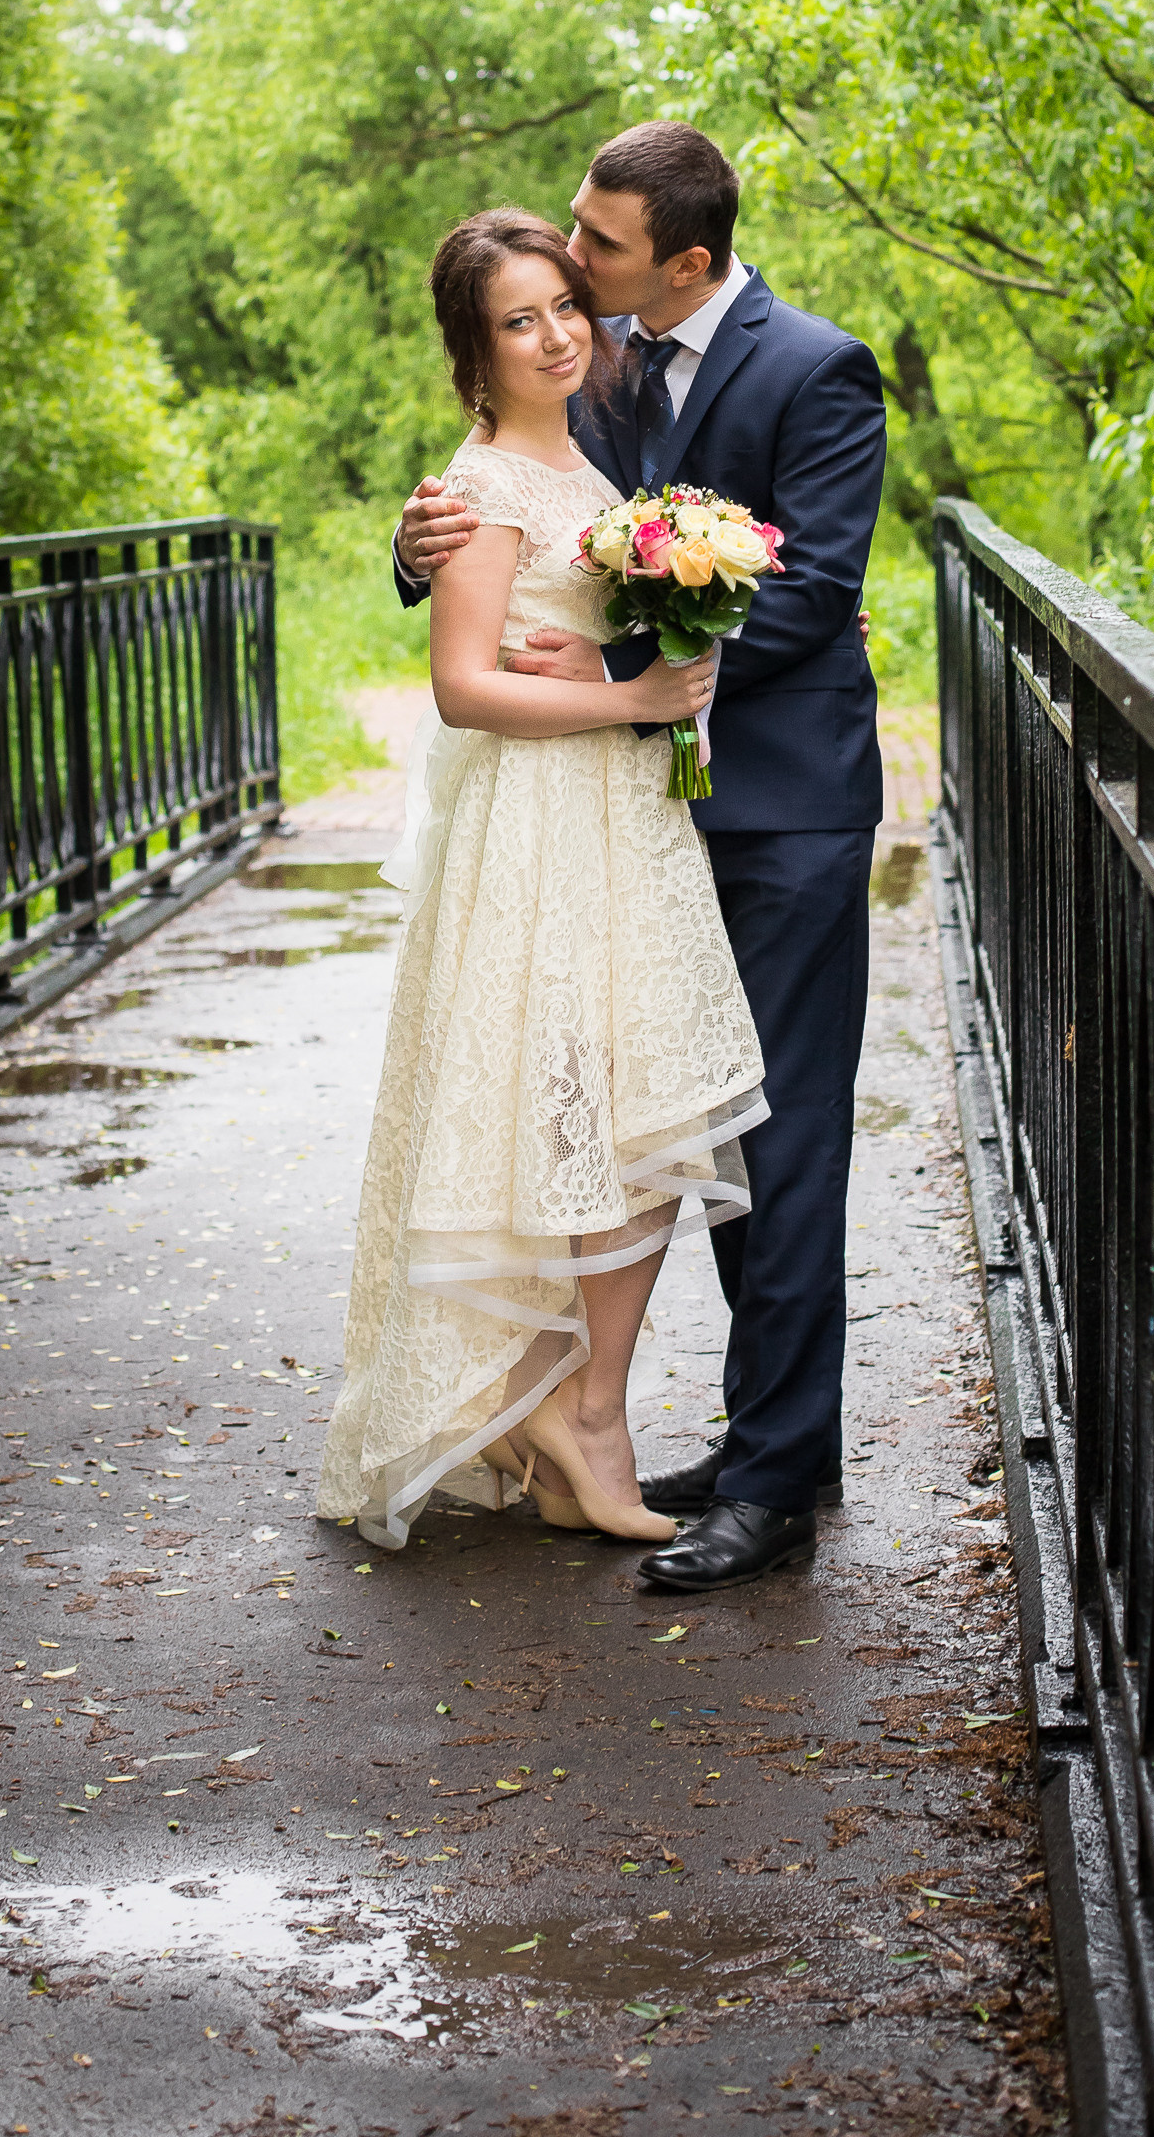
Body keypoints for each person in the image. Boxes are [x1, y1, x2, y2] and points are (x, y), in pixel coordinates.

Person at [392, 123, 887, 1590]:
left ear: (685, 260)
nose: (571, 259)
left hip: (780, 813)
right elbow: (512, 504)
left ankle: (775, 1482)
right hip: (624, 823)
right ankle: (764, 1439)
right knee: (680, 1124)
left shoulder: (819, 368)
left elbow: (816, 589)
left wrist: (625, 662)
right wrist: (419, 550)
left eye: (596, 245)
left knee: (780, 1138)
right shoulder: (592, 359)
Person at [319, 207, 768, 1556]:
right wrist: (635, 701)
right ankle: (579, 1421)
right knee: (577, 1113)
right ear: (475, 350)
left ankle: (576, 1411)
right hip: (542, 828)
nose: (559, 334)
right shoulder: (481, 487)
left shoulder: (590, 455)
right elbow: (463, 688)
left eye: (567, 304)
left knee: (638, 1121)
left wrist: (678, 667)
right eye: (520, 321)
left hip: (626, 821)